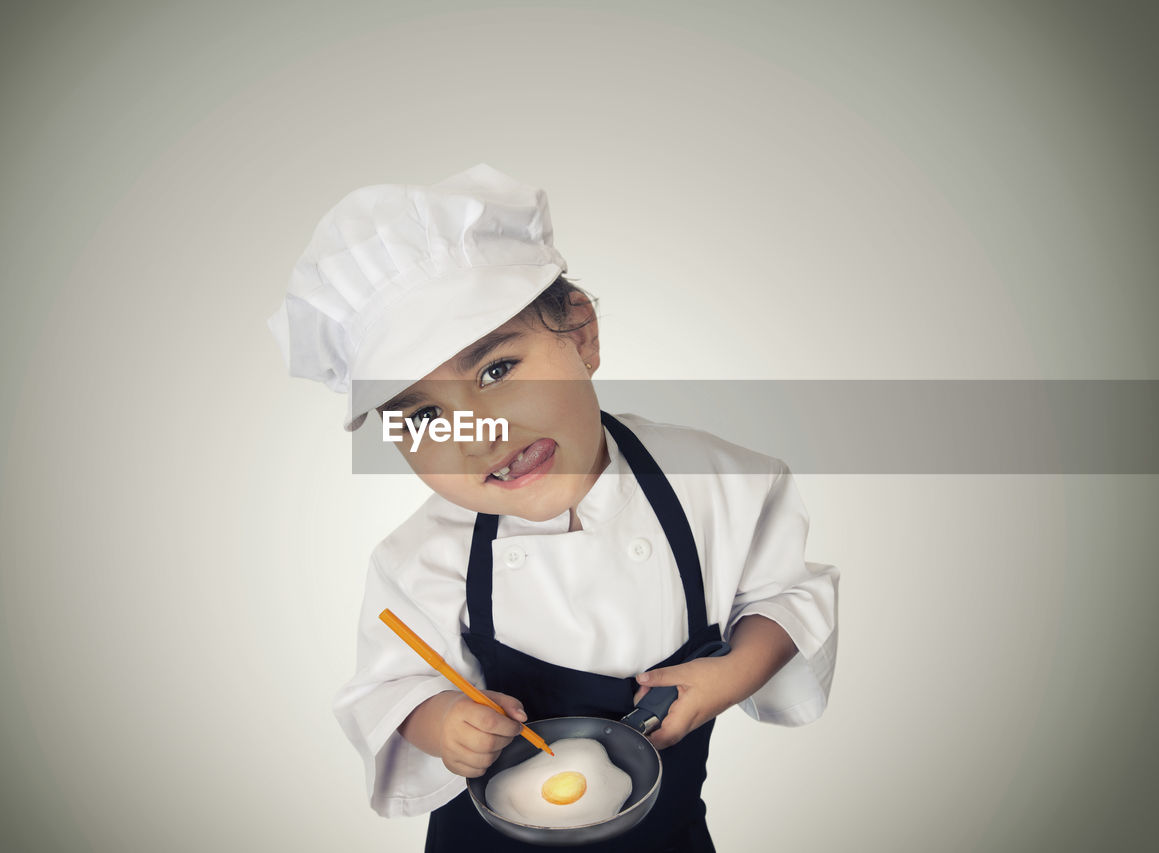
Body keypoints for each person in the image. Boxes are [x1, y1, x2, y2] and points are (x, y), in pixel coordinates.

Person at [269, 164, 839, 851]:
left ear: (581, 334)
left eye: (496, 370)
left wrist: (730, 674)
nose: (478, 432)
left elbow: (788, 595)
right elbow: (385, 690)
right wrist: (441, 719)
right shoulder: (420, 557)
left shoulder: (714, 483)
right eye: (423, 414)